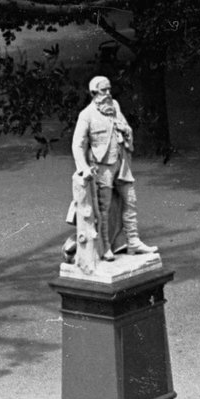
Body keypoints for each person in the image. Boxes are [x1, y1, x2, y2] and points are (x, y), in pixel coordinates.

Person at [67, 75, 152, 268]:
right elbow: (77, 144)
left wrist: (125, 130)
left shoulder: (115, 106)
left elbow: (126, 127)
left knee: (130, 201)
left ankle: (133, 241)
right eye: (103, 91)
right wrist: (83, 168)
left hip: (121, 163)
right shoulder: (86, 115)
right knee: (103, 210)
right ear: (94, 93)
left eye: (109, 90)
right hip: (102, 167)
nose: (108, 94)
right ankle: (105, 246)